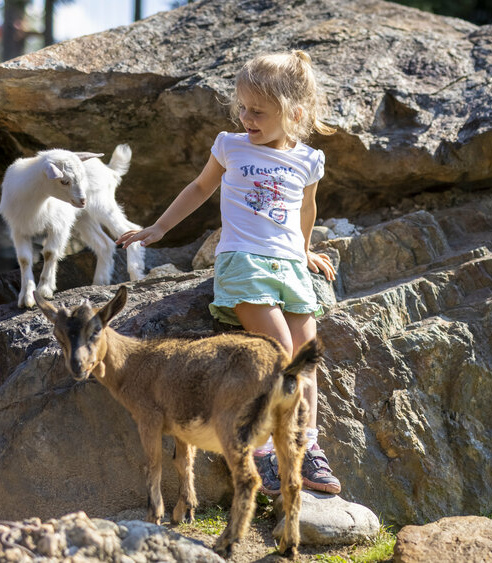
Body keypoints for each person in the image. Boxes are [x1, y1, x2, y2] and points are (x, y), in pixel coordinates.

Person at [115, 50, 341, 496]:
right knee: (274, 356)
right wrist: (159, 227)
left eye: (258, 111)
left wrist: (305, 249)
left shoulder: (308, 160)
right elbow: (200, 187)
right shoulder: (230, 145)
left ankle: (305, 446)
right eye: (242, 107)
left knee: (305, 359)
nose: (246, 117)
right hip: (245, 262)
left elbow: (307, 208)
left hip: (290, 266)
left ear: (293, 114)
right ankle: (261, 451)